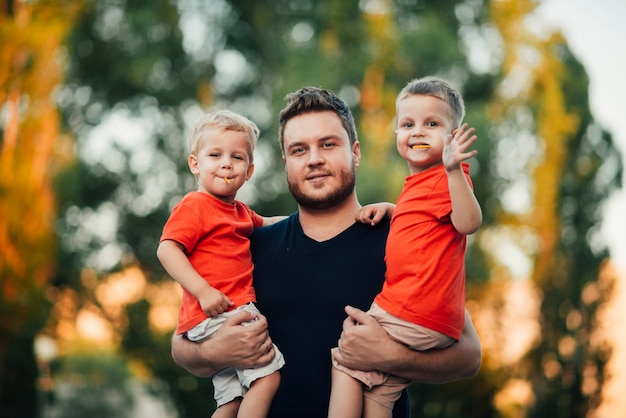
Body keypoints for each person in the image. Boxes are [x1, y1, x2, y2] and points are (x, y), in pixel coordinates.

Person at [170, 87, 482, 418]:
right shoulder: (247, 246)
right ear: (285, 162)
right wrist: (215, 351)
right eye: (299, 149)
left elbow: (469, 355)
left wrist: (392, 356)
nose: (315, 158)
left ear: (356, 152)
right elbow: (181, 345)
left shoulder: (402, 236)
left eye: (328, 144)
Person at [328, 76, 482, 418]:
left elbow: (467, 222)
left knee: (347, 360)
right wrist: (391, 210)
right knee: (380, 391)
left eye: (432, 124)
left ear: (453, 137)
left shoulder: (448, 176)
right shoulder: (421, 184)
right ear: (397, 133)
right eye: (408, 124)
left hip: (411, 308)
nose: (418, 132)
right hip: (430, 318)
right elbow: (428, 222)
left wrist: (455, 169)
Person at [157, 110, 285, 418]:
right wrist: (203, 290)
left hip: (215, 316)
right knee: (268, 377)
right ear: (195, 164)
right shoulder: (195, 205)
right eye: (215, 155)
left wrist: (302, 221)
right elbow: (167, 249)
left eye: (237, 157)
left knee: (231, 399)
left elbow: (268, 223)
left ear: (249, 170)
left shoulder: (240, 212)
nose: (226, 163)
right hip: (225, 309)